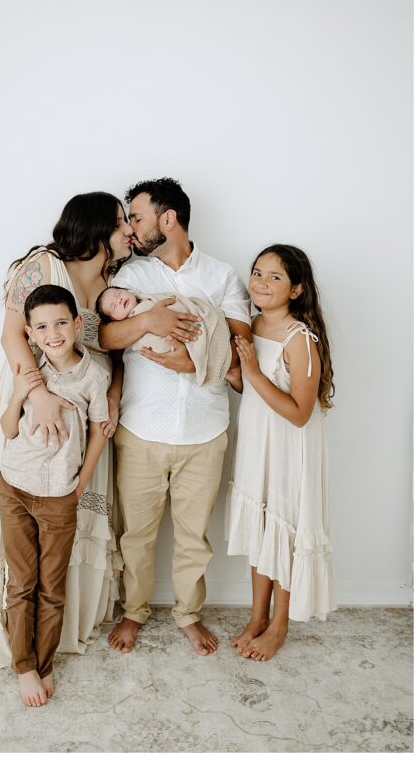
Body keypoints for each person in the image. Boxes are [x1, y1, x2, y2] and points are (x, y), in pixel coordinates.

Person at [0, 191, 132, 668]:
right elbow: (12, 335)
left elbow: (111, 352)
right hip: (34, 396)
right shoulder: (42, 266)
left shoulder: (113, 280)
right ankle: (18, 644)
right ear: (94, 228)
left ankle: (65, 626)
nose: (129, 231)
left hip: (86, 403)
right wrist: (36, 395)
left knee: (66, 512)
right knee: (27, 509)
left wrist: (111, 396)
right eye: (120, 223)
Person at [99, 177, 251, 656]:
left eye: (137, 217)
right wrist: (147, 321)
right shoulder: (132, 276)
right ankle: (133, 611)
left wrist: (195, 362)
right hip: (140, 428)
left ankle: (188, 613)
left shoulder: (222, 276)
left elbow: (240, 346)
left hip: (206, 431)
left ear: (169, 219)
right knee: (136, 534)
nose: (131, 228)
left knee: (193, 536)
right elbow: (104, 339)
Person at [0, 285, 109, 706]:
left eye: (61, 322)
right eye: (42, 327)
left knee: (51, 586)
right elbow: (8, 428)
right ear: (30, 333)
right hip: (14, 486)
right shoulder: (30, 370)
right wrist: (19, 393)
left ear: (77, 323)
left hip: (59, 493)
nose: (53, 333)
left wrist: (81, 481)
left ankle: (44, 663)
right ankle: (24, 667)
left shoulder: (94, 375)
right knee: (21, 583)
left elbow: (100, 429)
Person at [225, 245, 335, 661]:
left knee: (285, 528)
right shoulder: (250, 326)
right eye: (257, 273)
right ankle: (256, 617)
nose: (261, 283)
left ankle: (279, 623)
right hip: (257, 441)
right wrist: (235, 374)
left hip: (290, 446)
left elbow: (300, 413)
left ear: (296, 289)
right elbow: (246, 389)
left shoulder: (301, 339)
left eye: (275, 277)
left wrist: (251, 371)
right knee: (261, 528)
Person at [96, 286, 233, 385]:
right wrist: (149, 321)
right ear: (115, 321)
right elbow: (158, 346)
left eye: (118, 293)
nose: (118, 300)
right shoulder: (135, 336)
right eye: (114, 307)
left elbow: (176, 302)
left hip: (202, 321)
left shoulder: (147, 298)